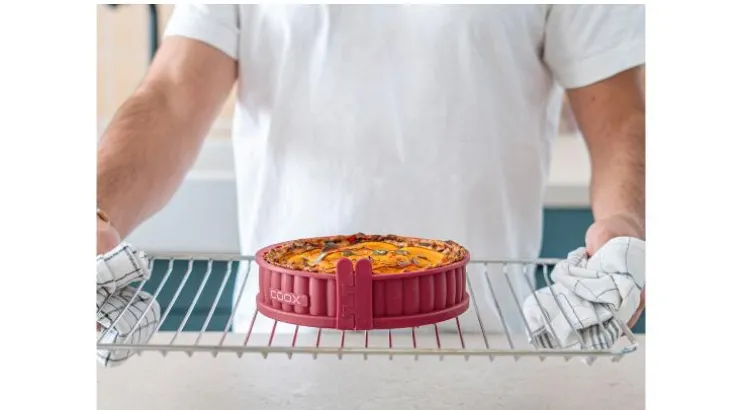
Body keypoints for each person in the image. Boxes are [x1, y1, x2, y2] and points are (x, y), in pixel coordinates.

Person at [97, 4, 645, 335]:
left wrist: (628, 225)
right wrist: (95, 214)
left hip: (485, 348)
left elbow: (621, 118)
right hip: (279, 350)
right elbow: (171, 97)